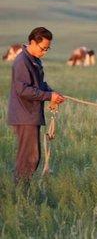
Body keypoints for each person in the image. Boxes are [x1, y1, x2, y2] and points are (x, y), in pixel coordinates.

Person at [8, 27, 65, 183]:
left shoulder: (34, 59)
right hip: (24, 115)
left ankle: (21, 192)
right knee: (29, 158)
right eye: (43, 48)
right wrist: (48, 96)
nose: (45, 52)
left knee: (32, 157)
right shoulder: (22, 61)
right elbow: (23, 90)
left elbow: (39, 85)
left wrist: (52, 94)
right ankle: (20, 194)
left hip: (30, 115)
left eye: (48, 49)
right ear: (33, 42)